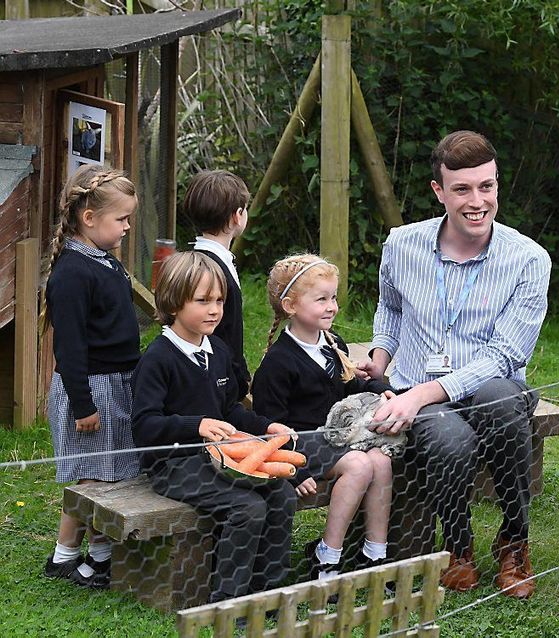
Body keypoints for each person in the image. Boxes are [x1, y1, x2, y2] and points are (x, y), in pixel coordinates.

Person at [359, 130, 551, 599]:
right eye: (462, 189)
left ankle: (514, 539)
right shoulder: (402, 244)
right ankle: (459, 546)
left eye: (486, 186)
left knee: (503, 403)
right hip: (421, 389)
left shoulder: (529, 259)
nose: (477, 201)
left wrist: (420, 394)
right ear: (438, 191)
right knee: (449, 438)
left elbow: (506, 356)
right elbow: (392, 308)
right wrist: (381, 355)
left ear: (497, 186)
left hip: (487, 387)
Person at [131, 251, 297, 603]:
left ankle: (269, 592)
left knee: (281, 494)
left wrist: (267, 427)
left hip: (223, 457)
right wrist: (198, 425)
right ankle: (227, 601)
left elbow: (231, 411)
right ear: (174, 303)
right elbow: (145, 426)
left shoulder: (217, 350)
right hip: (174, 465)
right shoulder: (158, 359)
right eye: (203, 300)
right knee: (246, 507)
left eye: (219, 300)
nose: (214, 310)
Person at [252, 253, 397, 580]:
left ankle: (374, 554)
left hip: (336, 436)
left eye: (333, 297)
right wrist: (291, 473)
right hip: (302, 444)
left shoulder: (333, 343)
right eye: (321, 299)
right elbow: (267, 427)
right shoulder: (277, 363)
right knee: (359, 465)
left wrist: (378, 388)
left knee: (381, 461)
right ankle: (327, 555)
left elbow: (350, 382)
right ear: (290, 305)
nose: (332, 306)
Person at [42, 165, 141, 589]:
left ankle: (100, 555)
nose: (127, 226)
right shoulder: (72, 273)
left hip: (117, 383)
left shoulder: (104, 261)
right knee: (92, 477)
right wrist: (83, 405)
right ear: (89, 218)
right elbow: (69, 347)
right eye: (121, 219)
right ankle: (64, 557)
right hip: (92, 389)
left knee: (111, 472)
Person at [183, 169, 251, 403]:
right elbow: (224, 329)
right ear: (237, 216)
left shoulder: (209, 259)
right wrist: (236, 377)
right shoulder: (209, 268)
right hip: (213, 381)